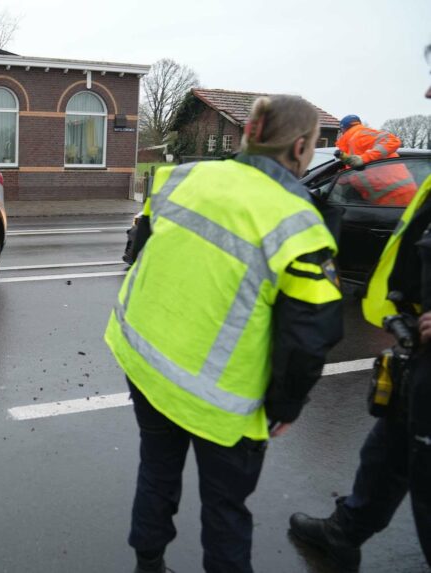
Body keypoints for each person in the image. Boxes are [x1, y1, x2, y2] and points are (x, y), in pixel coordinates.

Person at [104, 95, 344, 573]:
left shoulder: (183, 176)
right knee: (226, 509)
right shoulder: (298, 221)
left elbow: (142, 251)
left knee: (156, 472)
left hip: (146, 364)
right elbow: (309, 334)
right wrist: (285, 406)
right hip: (222, 401)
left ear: (250, 132)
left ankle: (148, 565)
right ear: (300, 148)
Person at [288, 47, 431, 572]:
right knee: (389, 445)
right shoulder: (391, 146)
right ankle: (345, 531)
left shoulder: (352, 144)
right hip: (412, 343)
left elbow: (349, 171)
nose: (427, 93)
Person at [336, 115, 417, 206]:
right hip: (390, 197)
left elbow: (392, 140)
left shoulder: (360, 134)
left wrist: (364, 158)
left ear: (343, 129)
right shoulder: (350, 144)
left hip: (398, 196)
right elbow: (359, 171)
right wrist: (339, 178)